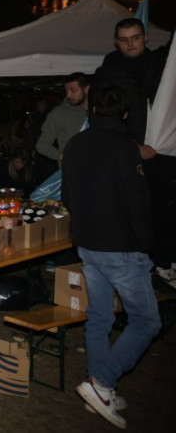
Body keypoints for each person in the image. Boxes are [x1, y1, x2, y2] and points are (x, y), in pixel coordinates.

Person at [62, 84, 161, 429]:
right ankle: (101, 382)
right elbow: (137, 203)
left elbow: (67, 195)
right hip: (121, 247)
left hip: (88, 243)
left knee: (99, 317)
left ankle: (99, 387)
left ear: (93, 109)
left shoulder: (76, 144)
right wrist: (148, 245)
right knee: (146, 321)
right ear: (126, 114)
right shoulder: (124, 148)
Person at [95, 17, 175, 287]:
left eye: (136, 38)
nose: (131, 44)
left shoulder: (159, 64)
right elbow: (103, 117)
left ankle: (164, 264)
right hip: (128, 155)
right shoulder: (109, 72)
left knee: (164, 212)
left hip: (164, 152)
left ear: (145, 38)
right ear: (116, 42)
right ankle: (137, 270)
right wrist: (133, 147)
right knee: (132, 213)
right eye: (124, 39)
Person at [34, 72, 89, 182]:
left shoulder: (100, 111)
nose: (68, 95)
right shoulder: (59, 113)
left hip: (100, 173)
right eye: (67, 91)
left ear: (87, 89)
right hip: (72, 176)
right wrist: (62, 156)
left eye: (73, 90)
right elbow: (41, 145)